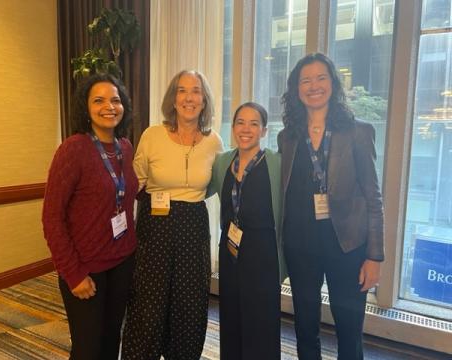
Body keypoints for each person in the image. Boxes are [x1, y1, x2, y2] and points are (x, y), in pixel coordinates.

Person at [279, 53, 384, 359]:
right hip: (301, 246)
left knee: (349, 329)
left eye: (321, 77)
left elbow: (374, 197)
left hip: (348, 245)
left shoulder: (358, 132)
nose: (314, 85)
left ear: (333, 83)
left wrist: (374, 256)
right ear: (297, 89)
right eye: (305, 80)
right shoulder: (288, 137)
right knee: (305, 326)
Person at [121, 70, 223, 360]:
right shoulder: (152, 135)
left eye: (196, 91)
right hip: (155, 226)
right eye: (182, 90)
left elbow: (215, 185)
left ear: (204, 100)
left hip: (193, 226)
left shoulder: (214, 141)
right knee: (147, 305)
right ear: (173, 98)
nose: (189, 97)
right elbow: (135, 183)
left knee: (189, 304)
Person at [42, 73, 138, 360]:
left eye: (115, 100)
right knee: (88, 348)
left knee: (111, 342)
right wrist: (73, 273)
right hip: (86, 268)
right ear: (86, 107)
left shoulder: (125, 148)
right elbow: (51, 217)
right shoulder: (74, 149)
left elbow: (125, 195)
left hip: (121, 262)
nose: (109, 106)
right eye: (99, 100)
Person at [209, 102, 287, 360]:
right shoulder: (223, 162)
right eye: (241, 122)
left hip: (263, 254)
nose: (246, 129)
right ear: (232, 128)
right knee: (231, 317)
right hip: (231, 251)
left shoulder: (276, 163)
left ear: (264, 130)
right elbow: (199, 187)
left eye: (254, 124)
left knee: (261, 322)